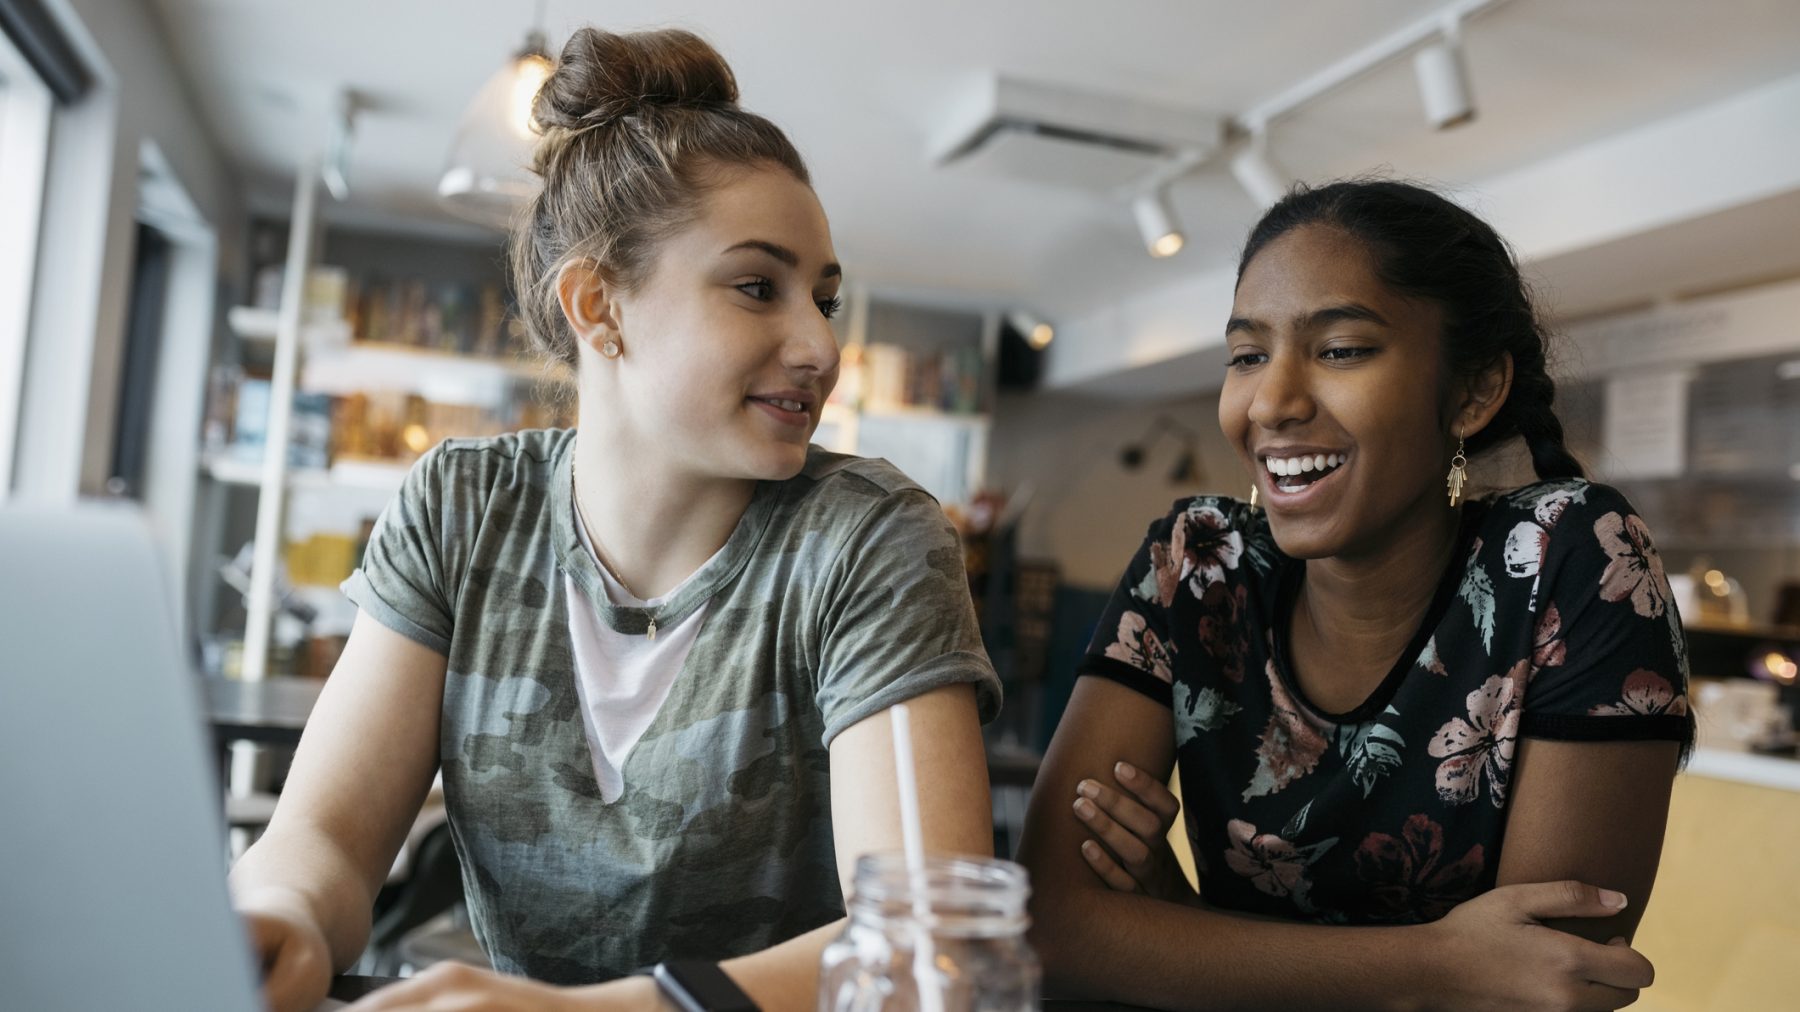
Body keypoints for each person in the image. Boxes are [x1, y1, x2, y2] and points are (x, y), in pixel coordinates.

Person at [229, 27, 1000, 1012]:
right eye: (759, 287)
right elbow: (325, 840)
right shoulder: (463, 509)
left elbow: (931, 948)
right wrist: (283, 915)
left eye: (825, 298)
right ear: (599, 306)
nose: (817, 343)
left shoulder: (868, 538)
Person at [1018, 179, 1692, 1011]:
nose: (1272, 401)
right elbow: (1050, 926)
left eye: (1340, 350)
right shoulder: (1199, 564)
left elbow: (1546, 984)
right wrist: (1437, 966)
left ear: (1474, 391)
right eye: (1247, 355)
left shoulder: (1569, 557)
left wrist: (1181, 934)